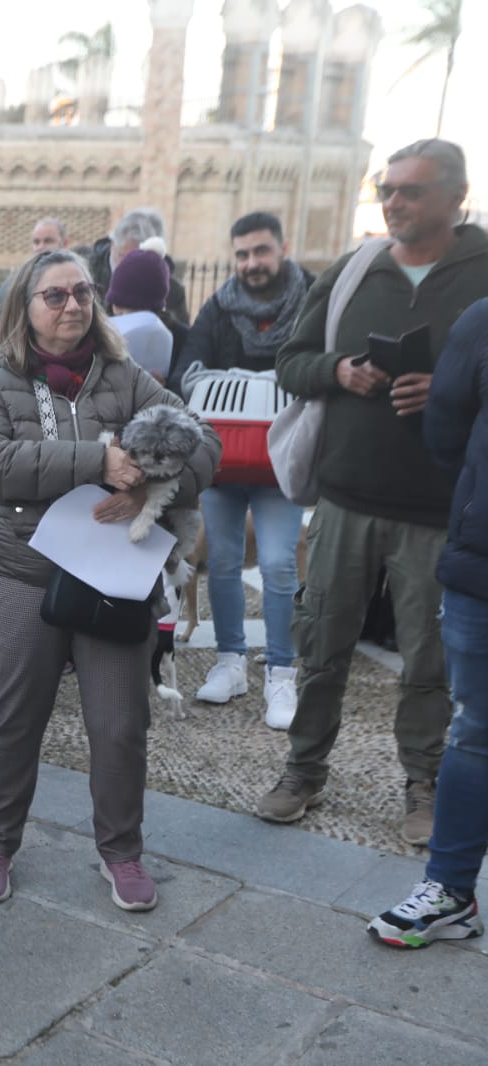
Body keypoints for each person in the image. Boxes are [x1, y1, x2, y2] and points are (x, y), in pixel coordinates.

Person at [0, 248, 220, 911]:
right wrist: (96, 462)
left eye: (81, 293)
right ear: (24, 306)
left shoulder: (124, 374)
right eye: (54, 295)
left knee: (119, 724)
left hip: (110, 576)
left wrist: (150, 490)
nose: (72, 305)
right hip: (22, 569)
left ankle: (121, 852)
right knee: (14, 719)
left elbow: (206, 445)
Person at [260, 138, 488, 845]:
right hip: (343, 500)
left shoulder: (482, 275)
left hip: (436, 509)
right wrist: (339, 369)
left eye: (409, 191)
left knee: (427, 662)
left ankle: (422, 785)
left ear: (454, 196)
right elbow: (289, 362)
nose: (391, 202)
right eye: (386, 190)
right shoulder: (356, 268)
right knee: (320, 646)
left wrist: (452, 393)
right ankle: (302, 770)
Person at [367, 297, 488, 947]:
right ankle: (449, 890)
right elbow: (445, 434)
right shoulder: (480, 323)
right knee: (473, 732)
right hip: (481, 570)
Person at [168, 211, 315, 729]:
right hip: (224, 461)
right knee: (224, 562)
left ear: (282, 247)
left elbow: (327, 360)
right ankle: (230, 662)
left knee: (277, 565)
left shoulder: (311, 299)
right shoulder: (219, 306)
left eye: (261, 251)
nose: (251, 263)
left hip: (281, 462)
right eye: (243, 254)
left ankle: (280, 672)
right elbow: (187, 366)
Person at [85, 208, 191, 326]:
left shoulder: (172, 290)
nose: (134, 265)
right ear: (113, 247)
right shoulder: (87, 275)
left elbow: (179, 337)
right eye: (126, 257)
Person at [105, 248, 180, 383]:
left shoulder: (180, 339)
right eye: (117, 305)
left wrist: (163, 390)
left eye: (132, 308)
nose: (121, 313)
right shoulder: (100, 329)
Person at [0, 220, 68, 308]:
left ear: (64, 244)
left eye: (48, 241)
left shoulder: (75, 278)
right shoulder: (15, 283)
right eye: (36, 242)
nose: (40, 247)